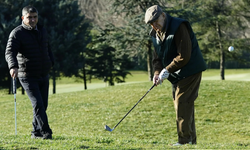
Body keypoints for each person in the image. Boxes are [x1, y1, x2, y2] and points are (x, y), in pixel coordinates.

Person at [144, 5, 207, 146]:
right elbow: (157, 58)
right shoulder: (155, 34)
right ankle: (191, 141)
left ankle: (184, 141)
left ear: (163, 15)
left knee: (182, 103)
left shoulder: (179, 27)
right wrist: (156, 73)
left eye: (156, 20)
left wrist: (166, 70)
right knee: (183, 106)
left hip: (190, 70)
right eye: (151, 23)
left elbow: (184, 56)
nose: (155, 25)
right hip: (176, 74)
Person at [5, 5, 54, 139]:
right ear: (23, 18)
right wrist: (13, 66)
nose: (32, 20)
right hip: (27, 75)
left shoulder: (42, 30)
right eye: (29, 17)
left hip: (43, 74)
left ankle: (36, 132)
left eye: (34, 17)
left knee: (43, 105)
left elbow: (47, 47)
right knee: (38, 104)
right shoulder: (17, 33)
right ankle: (46, 133)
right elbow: (10, 52)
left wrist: (51, 62)